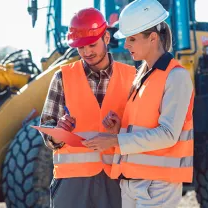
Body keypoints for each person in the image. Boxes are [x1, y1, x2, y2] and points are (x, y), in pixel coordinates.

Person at [82, 0, 194, 207]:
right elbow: (142, 127)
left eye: (132, 39)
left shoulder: (176, 76)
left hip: (157, 185)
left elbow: (168, 135)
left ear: (152, 38)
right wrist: (119, 129)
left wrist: (115, 141)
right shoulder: (143, 76)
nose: (126, 45)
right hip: (132, 180)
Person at [39, 7, 136, 208]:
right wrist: (59, 132)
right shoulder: (62, 78)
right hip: (72, 184)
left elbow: (142, 129)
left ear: (106, 38)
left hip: (117, 178)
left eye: (92, 44)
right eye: (81, 47)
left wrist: (120, 130)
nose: (87, 52)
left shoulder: (132, 78)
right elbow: (47, 130)